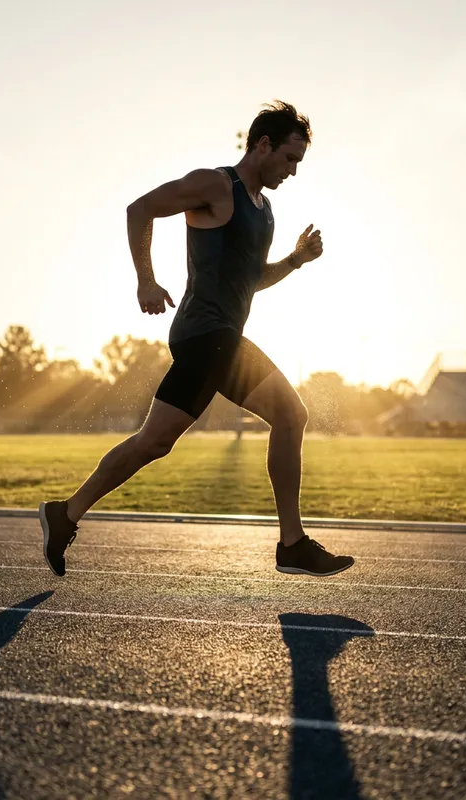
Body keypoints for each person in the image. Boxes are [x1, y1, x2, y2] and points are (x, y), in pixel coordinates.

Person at [39, 101, 354, 579]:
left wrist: (293, 261)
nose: (293, 171)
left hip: (217, 339)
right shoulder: (215, 184)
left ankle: (64, 514)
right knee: (292, 414)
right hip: (206, 334)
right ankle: (292, 545)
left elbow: (250, 281)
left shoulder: (264, 211)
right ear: (263, 144)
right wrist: (146, 279)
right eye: (290, 159)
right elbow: (139, 208)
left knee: (153, 443)